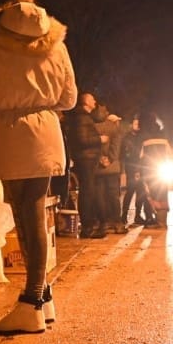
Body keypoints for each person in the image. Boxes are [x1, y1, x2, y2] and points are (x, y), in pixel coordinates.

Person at [0, 0, 76, 335]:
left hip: (9, 132)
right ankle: (42, 296)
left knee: (26, 216)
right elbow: (69, 98)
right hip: (45, 131)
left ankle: (31, 302)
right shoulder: (56, 43)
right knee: (35, 213)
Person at [66, 91, 106, 238]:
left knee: (89, 192)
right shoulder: (82, 118)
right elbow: (82, 140)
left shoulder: (84, 117)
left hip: (88, 159)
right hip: (86, 160)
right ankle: (88, 228)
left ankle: (90, 225)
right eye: (92, 99)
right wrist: (99, 139)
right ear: (86, 102)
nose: (95, 101)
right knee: (87, 193)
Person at [92, 104, 125, 234]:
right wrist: (110, 159)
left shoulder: (92, 127)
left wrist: (100, 158)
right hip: (112, 167)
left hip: (97, 167)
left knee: (99, 196)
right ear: (106, 113)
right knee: (113, 195)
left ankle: (103, 223)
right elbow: (116, 147)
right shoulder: (113, 127)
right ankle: (117, 223)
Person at [119, 113, 148, 227]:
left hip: (141, 167)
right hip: (131, 167)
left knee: (141, 192)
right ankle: (124, 215)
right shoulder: (127, 137)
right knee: (130, 191)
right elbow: (126, 153)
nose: (137, 126)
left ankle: (138, 215)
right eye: (135, 123)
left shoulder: (142, 136)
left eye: (138, 124)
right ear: (131, 125)